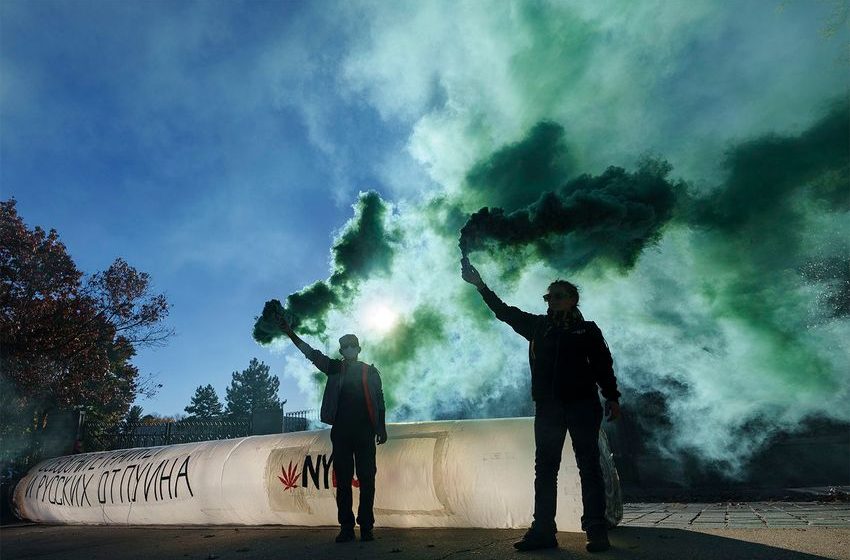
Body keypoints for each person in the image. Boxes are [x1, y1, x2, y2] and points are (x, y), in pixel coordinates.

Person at [460, 257, 621, 553]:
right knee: (545, 469)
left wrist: (612, 396)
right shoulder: (538, 327)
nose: (552, 300)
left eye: (558, 296)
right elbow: (504, 312)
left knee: (589, 466)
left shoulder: (587, 330)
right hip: (549, 408)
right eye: (549, 296)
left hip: (583, 404)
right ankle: (543, 530)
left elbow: (603, 365)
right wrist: (480, 286)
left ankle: (596, 530)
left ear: (573, 300)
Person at [279, 317, 388, 543]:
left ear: (358, 348)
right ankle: (346, 527)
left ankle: (366, 527)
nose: (349, 349)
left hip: (365, 433)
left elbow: (380, 400)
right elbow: (311, 353)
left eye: (352, 345)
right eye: (345, 346)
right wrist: (290, 333)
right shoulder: (334, 368)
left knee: (368, 479)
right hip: (341, 433)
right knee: (344, 481)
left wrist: (381, 427)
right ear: (341, 350)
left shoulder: (370, 372)